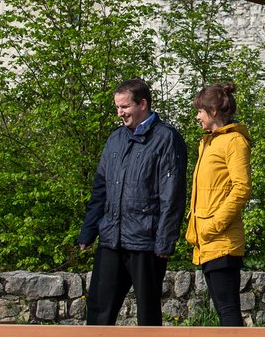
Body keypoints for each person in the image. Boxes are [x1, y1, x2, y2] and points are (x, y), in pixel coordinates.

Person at [77, 78, 188, 326]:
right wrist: (88, 231)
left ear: (143, 104)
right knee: (98, 310)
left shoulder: (166, 139)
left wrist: (164, 242)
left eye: (125, 107)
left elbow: (172, 195)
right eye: (117, 107)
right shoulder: (115, 139)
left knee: (147, 315)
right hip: (111, 238)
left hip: (146, 242)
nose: (120, 113)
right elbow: (100, 189)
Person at [185, 82, 252, 327]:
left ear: (213, 112)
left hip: (221, 240)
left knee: (229, 313)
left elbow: (242, 188)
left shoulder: (234, 141)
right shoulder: (209, 142)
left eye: (200, 111)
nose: (197, 116)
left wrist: (214, 224)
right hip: (207, 241)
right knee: (224, 313)